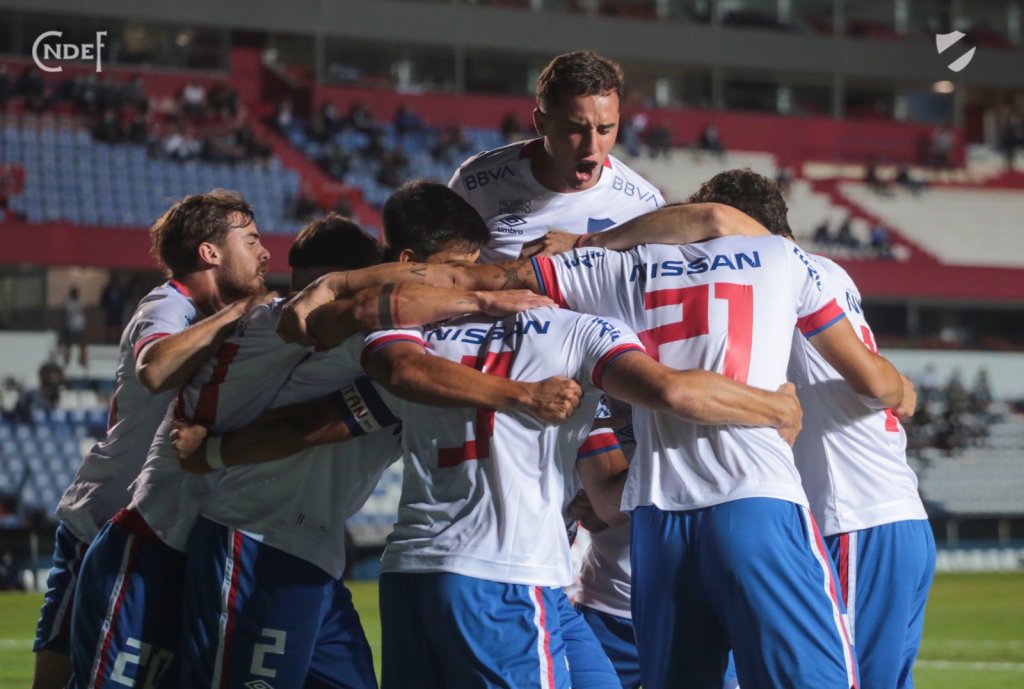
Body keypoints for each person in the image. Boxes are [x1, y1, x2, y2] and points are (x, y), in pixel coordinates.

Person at [281, 183, 912, 688]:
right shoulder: (781, 261)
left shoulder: (593, 277)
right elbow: (683, 380)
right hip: (744, 504)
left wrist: (339, 284)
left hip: (648, 524)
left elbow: (458, 295)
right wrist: (776, 408)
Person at [71, 203, 560, 689]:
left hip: (293, 548)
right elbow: (328, 399)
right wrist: (514, 364)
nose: (457, 281)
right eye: (451, 270)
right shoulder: (303, 326)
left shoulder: (330, 333)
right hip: (206, 540)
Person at [678, 169, 930, 689]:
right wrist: (900, 387)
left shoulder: (773, 277)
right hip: (897, 513)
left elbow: (869, 381)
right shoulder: (830, 272)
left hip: (852, 514)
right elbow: (877, 381)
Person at [31, 190, 270, 689]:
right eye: (250, 240)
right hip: (103, 524)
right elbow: (156, 365)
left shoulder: (224, 319)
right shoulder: (167, 304)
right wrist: (239, 312)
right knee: (64, 674)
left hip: (164, 532)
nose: (265, 252)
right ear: (210, 252)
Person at [449, 51, 664, 263]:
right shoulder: (474, 185)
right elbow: (442, 274)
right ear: (541, 123)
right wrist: (517, 276)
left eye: (605, 129)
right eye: (575, 129)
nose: (591, 146)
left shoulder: (646, 206)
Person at [61, 286, 87, 369]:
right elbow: (65, 313)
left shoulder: (80, 302)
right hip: (71, 326)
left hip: (80, 325)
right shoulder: (68, 303)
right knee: (69, 344)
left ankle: (83, 360)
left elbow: (85, 311)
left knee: (82, 344)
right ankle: (67, 360)